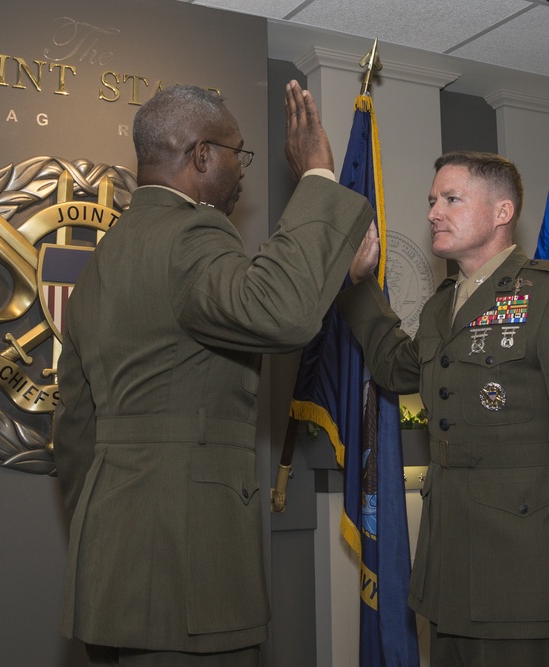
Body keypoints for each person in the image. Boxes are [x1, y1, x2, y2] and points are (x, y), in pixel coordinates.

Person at [53, 82, 374, 665]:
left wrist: (111, 526)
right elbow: (278, 312)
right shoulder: (193, 233)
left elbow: (74, 430)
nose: (243, 171)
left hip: (112, 569)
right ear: (201, 156)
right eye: (237, 153)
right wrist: (318, 179)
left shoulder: (104, 259)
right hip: (188, 571)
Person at [336, 151, 549, 665]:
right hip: (451, 573)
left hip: (529, 577)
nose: (434, 211)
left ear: (502, 213)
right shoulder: (442, 306)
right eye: (433, 200)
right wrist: (360, 284)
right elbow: (394, 367)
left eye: (452, 199)